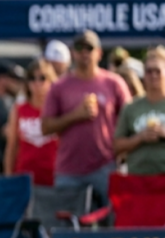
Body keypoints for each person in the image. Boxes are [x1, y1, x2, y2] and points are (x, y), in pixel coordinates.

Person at [42, 30, 130, 205]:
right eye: (79, 48)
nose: (84, 52)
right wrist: (75, 115)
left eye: (89, 48)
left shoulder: (114, 83)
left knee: (111, 223)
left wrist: (122, 150)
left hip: (106, 166)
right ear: (72, 52)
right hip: (69, 169)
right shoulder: (59, 86)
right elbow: (46, 127)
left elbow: (129, 119)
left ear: (99, 52)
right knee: (67, 224)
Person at [4, 60, 58, 186]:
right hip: (23, 177)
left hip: (53, 177)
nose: (37, 83)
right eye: (32, 78)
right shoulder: (19, 109)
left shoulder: (58, 110)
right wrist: (8, 176)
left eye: (42, 78)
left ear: (51, 81)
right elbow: (12, 146)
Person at [114, 46, 165, 175]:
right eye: (149, 71)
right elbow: (116, 146)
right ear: (143, 74)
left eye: (157, 71)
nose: (153, 75)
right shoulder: (131, 107)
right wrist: (140, 137)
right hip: (137, 180)